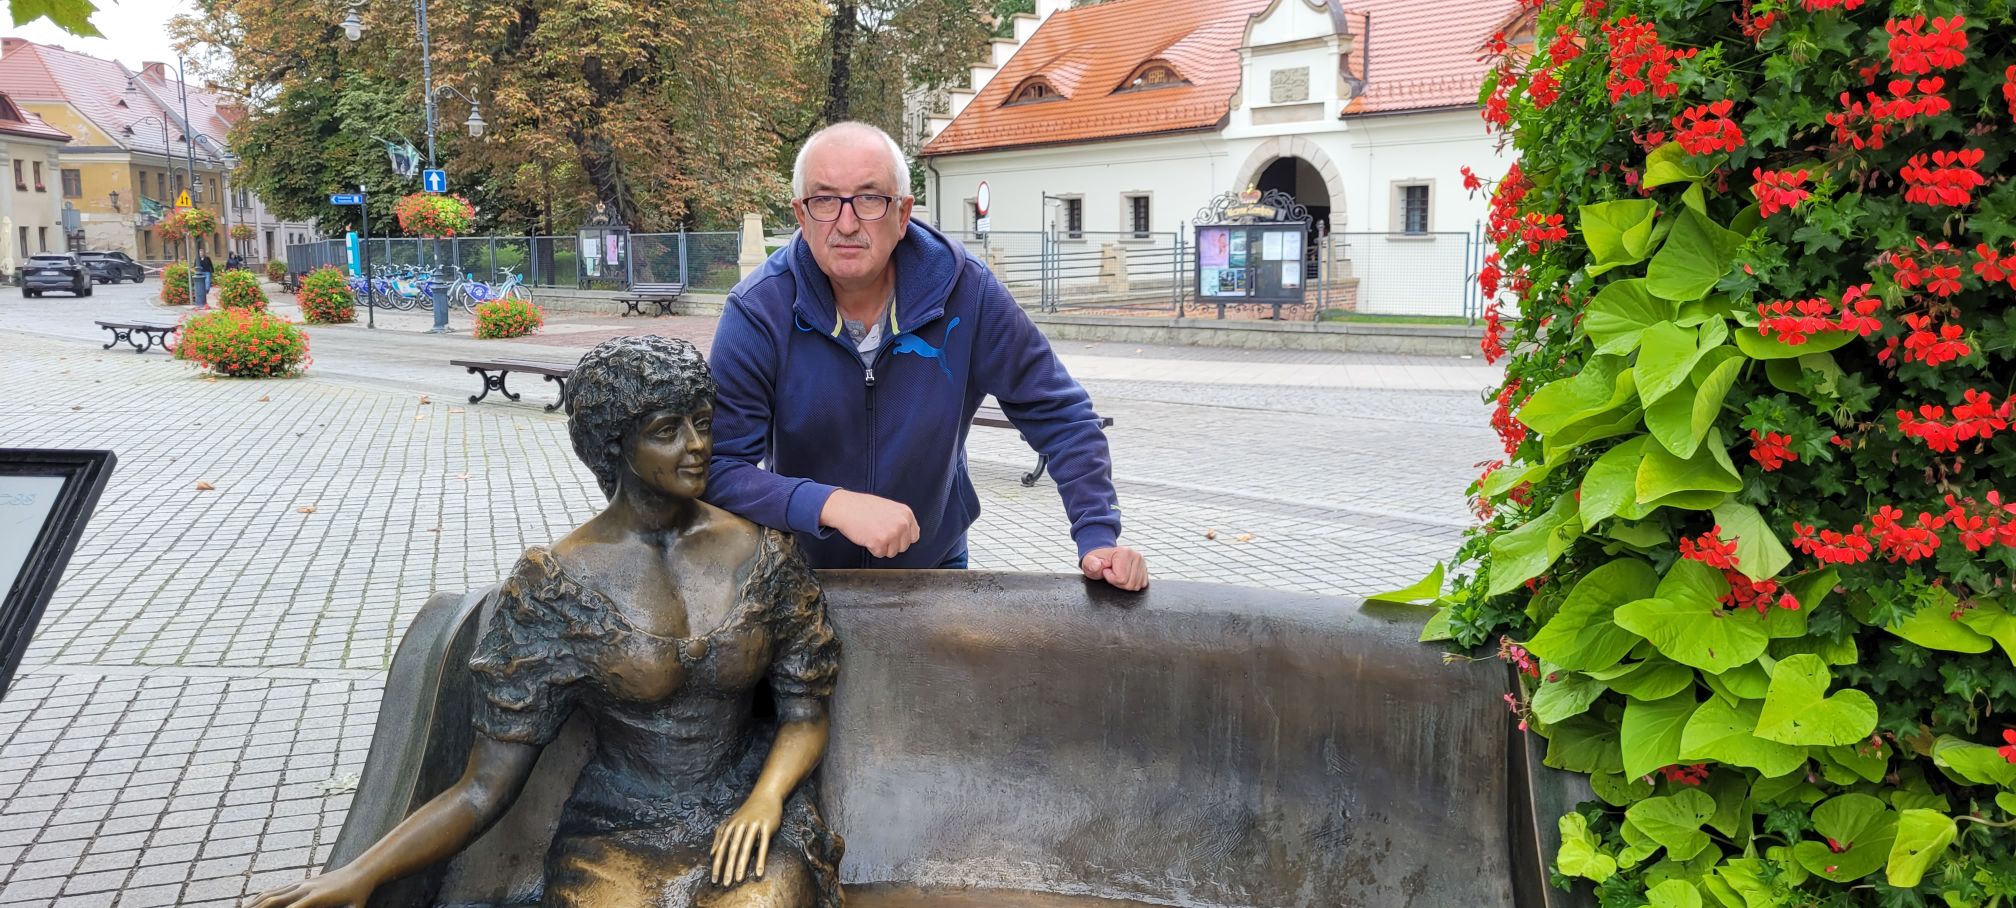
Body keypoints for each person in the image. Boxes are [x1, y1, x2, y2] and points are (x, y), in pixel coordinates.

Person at [249, 336, 844, 908]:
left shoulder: (762, 555)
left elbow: (804, 715)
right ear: (613, 444)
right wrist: (360, 873)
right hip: (619, 826)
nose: (697, 446)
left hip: (748, 807)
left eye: (703, 423)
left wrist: (767, 798)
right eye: (668, 431)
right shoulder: (556, 588)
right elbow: (482, 789)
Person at [705, 122, 1148, 591]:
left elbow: (1063, 416)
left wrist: (1098, 537)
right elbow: (718, 467)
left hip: (933, 567)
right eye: (825, 200)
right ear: (801, 214)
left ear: (902, 214)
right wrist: (829, 504)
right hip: (801, 572)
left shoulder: (967, 292)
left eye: (870, 198)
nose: (847, 223)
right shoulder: (758, 311)